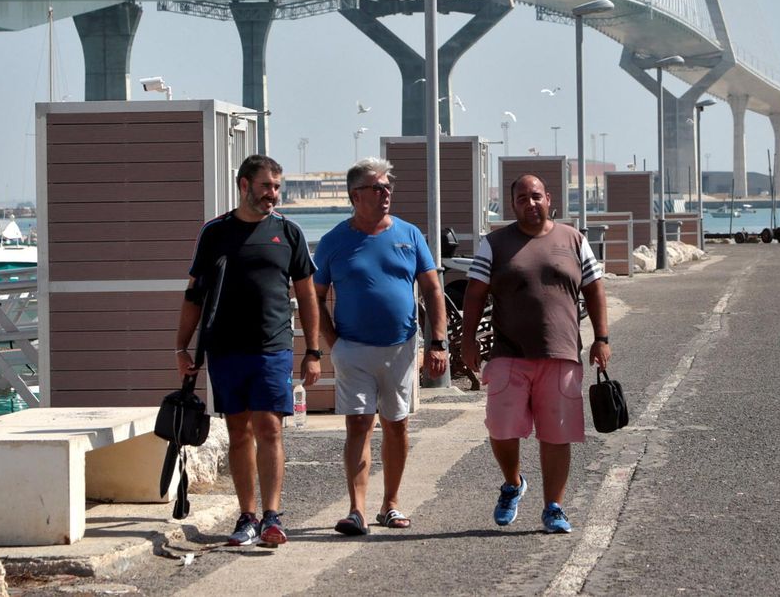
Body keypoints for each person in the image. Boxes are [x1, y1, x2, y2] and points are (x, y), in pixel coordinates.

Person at [174, 153, 320, 548]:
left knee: (270, 427)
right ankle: (247, 516)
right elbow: (194, 294)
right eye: (265, 186)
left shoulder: (288, 233)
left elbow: (307, 296)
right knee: (239, 432)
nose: (273, 194)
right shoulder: (215, 232)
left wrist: (313, 350)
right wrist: (181, 346)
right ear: (244, 185)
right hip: (224, 348)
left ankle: (272, 516)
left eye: (277, 187)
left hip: (272, 347)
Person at [460, 173, 611, 535]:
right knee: (500, 426)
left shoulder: (573, 239)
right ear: (512, 205)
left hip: (561, 353)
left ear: (549, 198)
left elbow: (595, 289)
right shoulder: (494, 243)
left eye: (536, 196)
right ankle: (513, 483)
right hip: (507, 352)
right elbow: (475, 294)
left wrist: (601, 338)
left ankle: (554, 507)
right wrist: (466, 340)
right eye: (522, 198)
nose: (531, 203)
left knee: (557, 435)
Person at [313, 157, 449, 536]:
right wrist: (332, 342)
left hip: (401, 347)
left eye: (389, 186)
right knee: (358, 423)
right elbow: (314, 296)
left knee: (396, 424)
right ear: (356, 195)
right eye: (378, 187)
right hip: (352, 347)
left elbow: (433, 289)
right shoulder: (334, 242)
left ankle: (390, 504)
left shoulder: (410, 234)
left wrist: (437, 342)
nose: (386, 193)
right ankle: (356, 510)